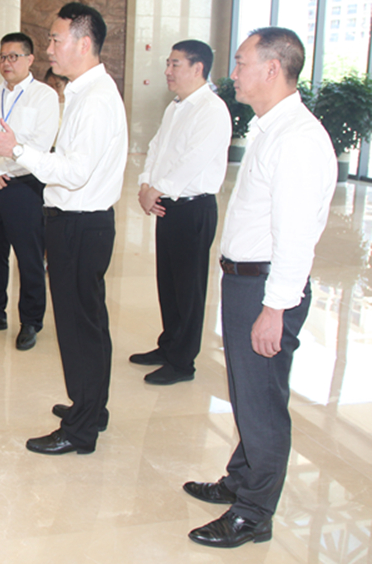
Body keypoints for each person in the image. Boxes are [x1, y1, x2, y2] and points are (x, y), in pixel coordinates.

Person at [184, 28, 336, 548]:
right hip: (249, 281)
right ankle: (241, 479)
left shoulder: (297, 139)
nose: (234, 74)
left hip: (268, 287)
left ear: (273, 69)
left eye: (241, 63)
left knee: (262, 402)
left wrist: (274, 309)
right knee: (248, 392)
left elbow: (295, 237)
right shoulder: (274, 128)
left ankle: (253, 513)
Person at [0, 3, 127, 455]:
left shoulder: (95, 100)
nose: (50, 48)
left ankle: (81, 429)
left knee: (80, 328)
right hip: (77, 221)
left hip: (81, 223)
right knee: (87, 323)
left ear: (84, 43)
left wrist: (15, 149)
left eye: (56, 40)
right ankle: (90, 407)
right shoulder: (83, 92)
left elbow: (75, 172)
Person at [131, 40, 231, 385]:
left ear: (198, 68)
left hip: (192, 207)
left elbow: (194, 160)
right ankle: (169, 345)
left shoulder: (212, 109)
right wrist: (145, 184)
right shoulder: (175, 107)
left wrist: (156, 190)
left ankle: (183, 362)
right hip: (168, 205)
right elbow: (156, 147)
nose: (167, 71)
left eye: (175, 64)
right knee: (169, 283)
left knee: (189, 288)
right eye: (168, 63)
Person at [0, 34, 58, 350]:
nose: (6, 63)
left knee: (29, 256)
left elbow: (39, 145)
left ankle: (31, 320)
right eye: (2, 57)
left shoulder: (44, 96)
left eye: (13, 56)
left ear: (30, 59)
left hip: (24, 187)